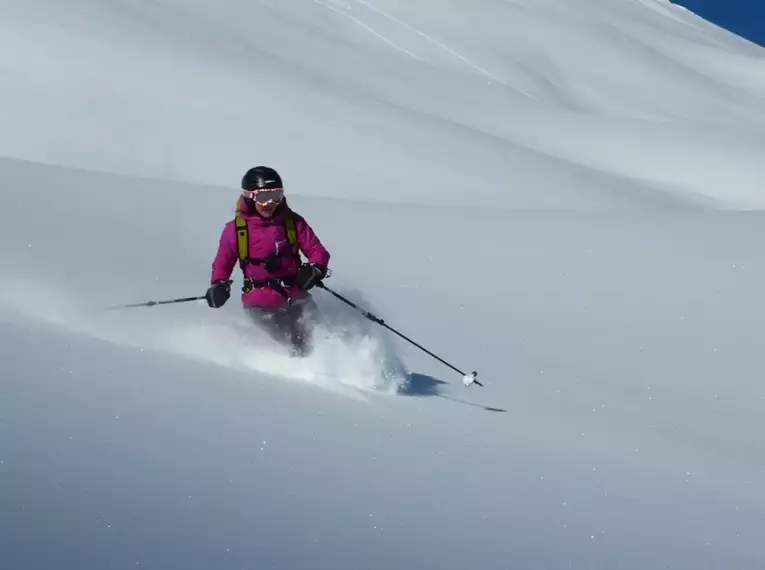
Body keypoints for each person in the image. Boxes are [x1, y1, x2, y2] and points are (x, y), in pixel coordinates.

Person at [205, 166, 330, 355]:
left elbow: (316, 250)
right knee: (295, 343)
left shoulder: (292, 222)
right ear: (249, 196)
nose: (270, 203)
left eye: (276, 195)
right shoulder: (236, 230)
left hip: (296, 295)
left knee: (323, 335)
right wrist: (218, 285)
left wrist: (315, 269)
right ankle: (304, 378)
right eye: (263, 198)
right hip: (261, 303)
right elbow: (222, 263)